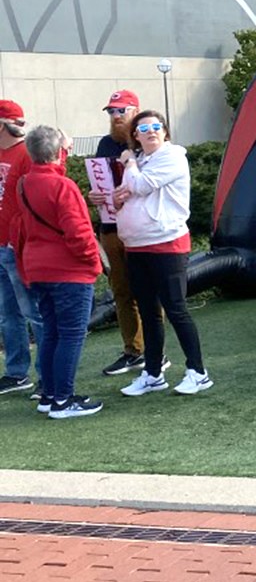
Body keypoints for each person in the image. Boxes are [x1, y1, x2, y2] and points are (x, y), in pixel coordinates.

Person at [114, 111, 212, 397]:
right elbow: (129, 193)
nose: (151, 131)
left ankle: (198, 371)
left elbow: (142, 185)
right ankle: (153, 373)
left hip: (166, 243)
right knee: (148, 311)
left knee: (176, 308)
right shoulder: (141, 161)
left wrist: (129, 163)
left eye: (157, 127)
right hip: (137, 245)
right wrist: (115, 198)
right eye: (144, 128)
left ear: (165, 132)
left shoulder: (171, 157)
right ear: (136, 135)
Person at [13, 126, 104, 418]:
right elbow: (79, 233)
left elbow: (25, 226)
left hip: (38, 267)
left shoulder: (25, 184)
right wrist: (94, 263)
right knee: (71, 334)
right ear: (59, 152)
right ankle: (63, 400)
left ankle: (50, 394)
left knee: (51, 332)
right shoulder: (63, 187)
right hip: (68, 271)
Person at [90, 90, 153, 376]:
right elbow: (99, 181)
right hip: (112, 227)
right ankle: (133, 350)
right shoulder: (105, 143)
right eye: (111, 112)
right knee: (121, 290)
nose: (115, 117)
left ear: (135, 111)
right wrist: (95, 194)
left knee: (147, 290)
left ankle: (154, 350)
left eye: (121, 111)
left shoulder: (148, 141)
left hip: (141, 227)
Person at [0, 99, 48, 397]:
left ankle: (47, 375)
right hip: (1, 245)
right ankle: (17, 372)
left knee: (35, 313)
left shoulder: (27, 154)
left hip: (18, 246)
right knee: (8, 314)